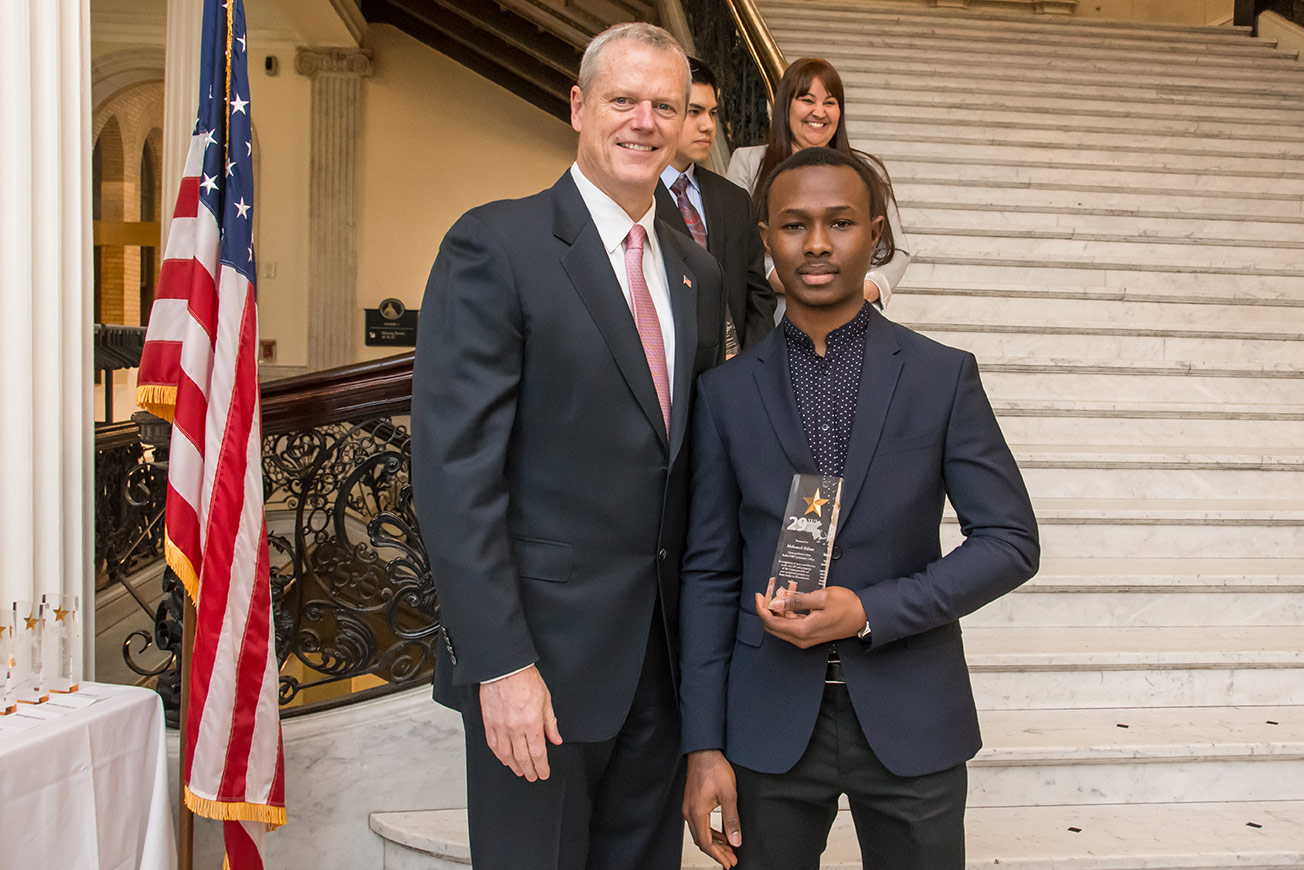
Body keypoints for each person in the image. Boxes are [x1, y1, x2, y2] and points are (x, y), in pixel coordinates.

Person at [411, 23, 726, 870]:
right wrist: (500, 662)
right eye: (624, 99)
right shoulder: (497, 245)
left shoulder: (698, 271)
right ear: (579, 106)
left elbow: (688, 473)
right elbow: (454, 475)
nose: (645, 121)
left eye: (666, 105)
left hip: (658, 678)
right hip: (537, 673)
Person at [679, 147, 1039, 870]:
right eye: (794, 225)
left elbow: (1009, 541)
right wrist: (702, 745)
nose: (816, 244)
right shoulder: (724, 393)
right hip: (765, 722)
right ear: (765, 238)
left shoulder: (942, 376)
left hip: (912, 713)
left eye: (839, 223)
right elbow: (710, 574)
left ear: (874, 235)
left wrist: (871, 610)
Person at [726, 58, 911, 310]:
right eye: (808, 100)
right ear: (785, 106)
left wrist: (861, 290)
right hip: (773, 317)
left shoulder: (867, 169)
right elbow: (735, 244)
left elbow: (896, 250)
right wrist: (797, 282)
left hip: (852, 319)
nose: (820, 112)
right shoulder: (748, 162)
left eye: (830, 102)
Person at [657, 57, 776, 355]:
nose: (708, 125)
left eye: (712, 113)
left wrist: (749, 365)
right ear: (663, 111)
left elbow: (758, 293)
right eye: (694, 112)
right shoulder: (635, 196)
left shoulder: (734, 199)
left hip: (732, 370)